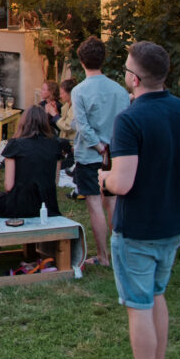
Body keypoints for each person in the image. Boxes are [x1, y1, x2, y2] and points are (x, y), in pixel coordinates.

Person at [99, 41, 180, 359]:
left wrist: (104, 180)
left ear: (134, 78)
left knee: (139, 306)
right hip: (173, 224)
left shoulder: (130, 120)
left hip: (138, 230)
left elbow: (123, 183)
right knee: (157, 294)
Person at [71, 35, 129, 266]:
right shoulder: (119, 90)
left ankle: (104, 256)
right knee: (112, 202)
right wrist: (109, 147)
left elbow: (83, 127)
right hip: (114, 153)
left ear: (82, 62)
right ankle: (117, 253)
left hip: (91, 154)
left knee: (95, 204)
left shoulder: (79, 90)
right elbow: (125, 121)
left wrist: (98, 146)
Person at [0, 105, 62, 219]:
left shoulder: (15, 144)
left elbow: (8, 186)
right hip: (47, 204)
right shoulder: (55, 145)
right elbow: (54, 181)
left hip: (20, 205)